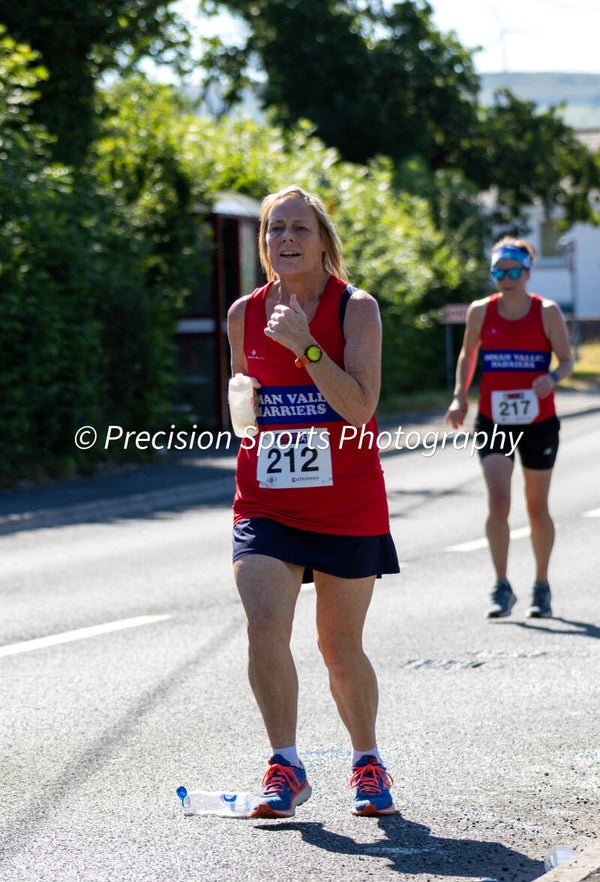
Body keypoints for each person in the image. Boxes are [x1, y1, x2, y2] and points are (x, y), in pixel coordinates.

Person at [226, 185, 400, 819]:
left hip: (347, 506)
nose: (287, 239)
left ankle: (367, 760)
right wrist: (248, 414)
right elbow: (243, 403)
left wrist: (305, 346)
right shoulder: (244, 313)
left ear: (324, 240)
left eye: (300, 228)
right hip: (266, 503)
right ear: (265, 243)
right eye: (275, 229)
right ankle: (286, 764)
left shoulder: (357, 309)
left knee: (338, 645)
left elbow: (360, 405)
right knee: (265, 626)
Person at [446, 237, 573, 619]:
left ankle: (541, 585)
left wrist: (552, 377)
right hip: (493, 419)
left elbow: (567, 360)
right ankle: (501, 586)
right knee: (499, 501)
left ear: (527, 272)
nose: (505, 278)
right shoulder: (481, 312)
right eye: (498, 271)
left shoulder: (547, 312)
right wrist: (459, 397)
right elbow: (469, 354)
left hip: (538, 422)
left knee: (536, 507)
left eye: (513, 271)